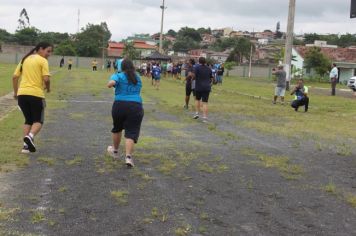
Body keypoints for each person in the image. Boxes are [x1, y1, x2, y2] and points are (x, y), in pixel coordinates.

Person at [12, 42, 53, 153]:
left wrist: (16, 93)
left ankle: (25, 147)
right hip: (35, 94)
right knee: (38, 120)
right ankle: (30, 136)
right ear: (40, 49)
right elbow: (46, 79)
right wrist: (48, 88)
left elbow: (15, 77)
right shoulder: (43, 61)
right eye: (48, 51)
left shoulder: (24, 59)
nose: (49, 54)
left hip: (22, 95)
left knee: (28, 120)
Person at [106, 59, 144, 168]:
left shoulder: (118, 75)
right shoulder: (137, 77)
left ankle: (115, 150)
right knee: (131, 132)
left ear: (121, 67)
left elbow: (111, 83)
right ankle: (128, 157)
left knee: (117, 128)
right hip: (136, 106)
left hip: (120, 105)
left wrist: (112, 84)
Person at [193, 57, 213, 122]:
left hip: (199, 87)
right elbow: (211, 78)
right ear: (205, 61)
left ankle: (196, 113)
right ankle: (204, 118)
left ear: (199, 61)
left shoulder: (197, 68)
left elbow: (194, 76)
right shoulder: (209, 69)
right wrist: (210, 84)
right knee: (205, 103)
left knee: (197, 100)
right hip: (207, 87)